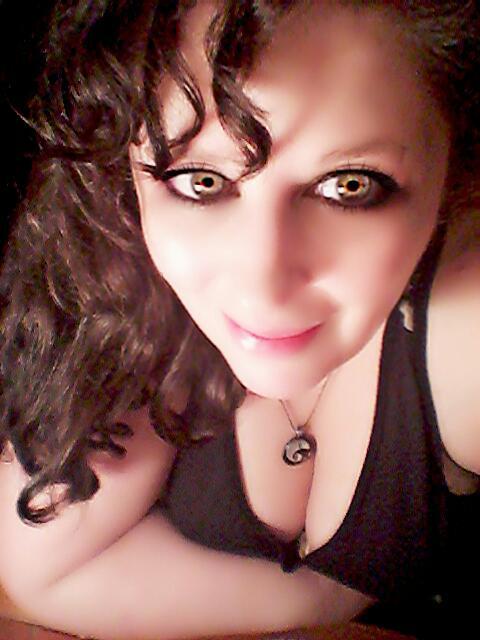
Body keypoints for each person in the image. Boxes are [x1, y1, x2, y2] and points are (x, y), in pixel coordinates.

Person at [1, 0, 479, 638]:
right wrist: (323, 599)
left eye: (350, 185)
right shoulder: (117, 273)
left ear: (457, 171)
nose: (262, 285)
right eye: (200, 181)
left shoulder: (466, 326)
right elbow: (44, 570)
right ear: (125, 171)